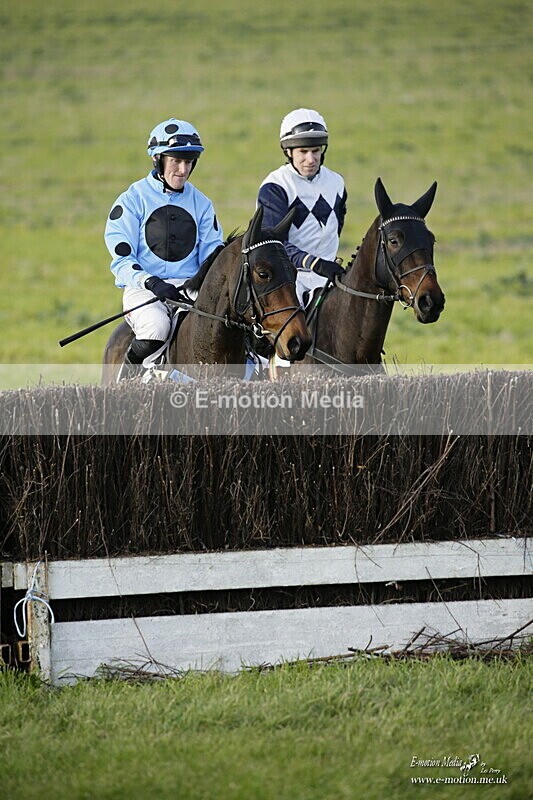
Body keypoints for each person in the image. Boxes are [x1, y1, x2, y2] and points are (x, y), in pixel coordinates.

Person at [104, 118, 223, 372]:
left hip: (188, 291)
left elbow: (212, 257)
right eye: (176, 161)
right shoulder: (132, 200)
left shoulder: (202, 204)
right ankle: (125, 384)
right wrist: (152, 282)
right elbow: (122, 260)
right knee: (157, 328)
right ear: (157, 159)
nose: (183, 170)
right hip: (144, 290)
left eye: (189, 162)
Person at [257, 108, 347, 307]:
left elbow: (335, 229)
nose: (311, 159)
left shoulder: (337, 182)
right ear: (288, 151)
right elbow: (272, 242)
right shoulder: (276, 186)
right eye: (303, 152)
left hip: (329, 276)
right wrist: (313, 263)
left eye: (316, 151)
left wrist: (324, 264)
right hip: (288, 279)